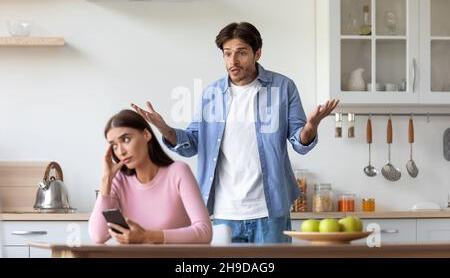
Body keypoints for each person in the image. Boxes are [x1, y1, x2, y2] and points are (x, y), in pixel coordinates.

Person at [131, 22, 339, 243]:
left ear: (257, 53)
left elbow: (300, 142)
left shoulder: (283, 87)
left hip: (270, 212)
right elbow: (192, 144)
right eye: (227, 54)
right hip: (223, 213)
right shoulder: (211, 94)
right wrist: (164, 128)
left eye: (241, 53)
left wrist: (310, 127)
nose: (233, 61)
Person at [88, 109, 212, 244]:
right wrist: (106, 181)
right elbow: (98, 236)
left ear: (146, 134)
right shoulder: (118, 181)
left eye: (126, 139)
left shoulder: (178, 172)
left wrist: (147, 237)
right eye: (114, 146)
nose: (121, 151)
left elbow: (204, 232)